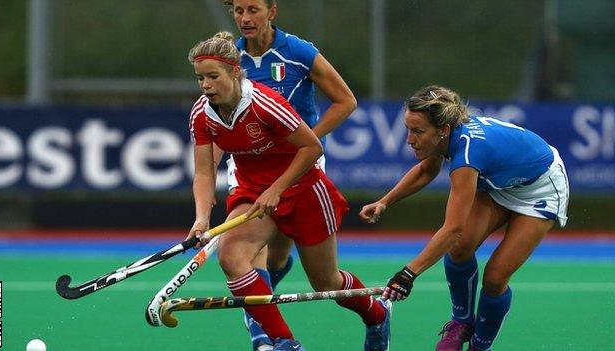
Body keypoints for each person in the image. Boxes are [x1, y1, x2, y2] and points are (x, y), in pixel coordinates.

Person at [186, 31, 391, 351]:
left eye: (213, 76)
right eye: (200, 78)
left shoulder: (265, 104)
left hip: (303, 188)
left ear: (234, 72)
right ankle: (285, 342)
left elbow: (311, 147)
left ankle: (377, 314)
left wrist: (278, 189)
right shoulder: (202, 113)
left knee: (327, 283)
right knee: (232, 255)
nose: (206, 85)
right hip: (253, 190)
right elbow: (203, 170)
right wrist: (201, 219)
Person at [360, 85, 569, 351]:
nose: (410, 139)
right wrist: (384, 201)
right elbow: (426, 171)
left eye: (418, 131)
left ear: (443, 130)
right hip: (499, 182)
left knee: (494, 278)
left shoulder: (467, 156)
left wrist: (407, 274)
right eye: (408, 130)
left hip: (540, 188)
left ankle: (480, 346)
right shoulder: (445, 136)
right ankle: (461, 323)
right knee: (460, 250)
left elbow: (453, 229)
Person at [221, 1, 358, 349]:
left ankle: (268, 295)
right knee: (245, 252)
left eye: (253, 9)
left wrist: (309, 140)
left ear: (272, 11)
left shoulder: (298, 52)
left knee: (280, 257)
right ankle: (265, 338)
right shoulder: (229, 59)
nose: (245, 19)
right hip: (249, 168)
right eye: (238, 10)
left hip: (299, 166)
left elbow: (345, 101)